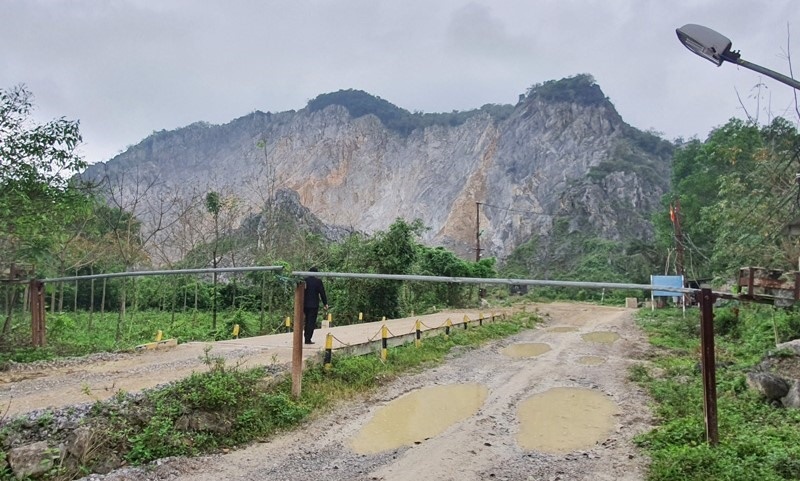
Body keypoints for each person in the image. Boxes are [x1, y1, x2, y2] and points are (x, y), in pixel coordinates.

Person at [303, 266, 328, 345]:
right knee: (311, 322)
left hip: (305, 305)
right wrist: (325, 303)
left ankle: (306, 337)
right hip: (314, 305)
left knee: (307, 321)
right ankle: (308, 339)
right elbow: (322, 293)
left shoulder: (305, 280)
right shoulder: (318, 281)